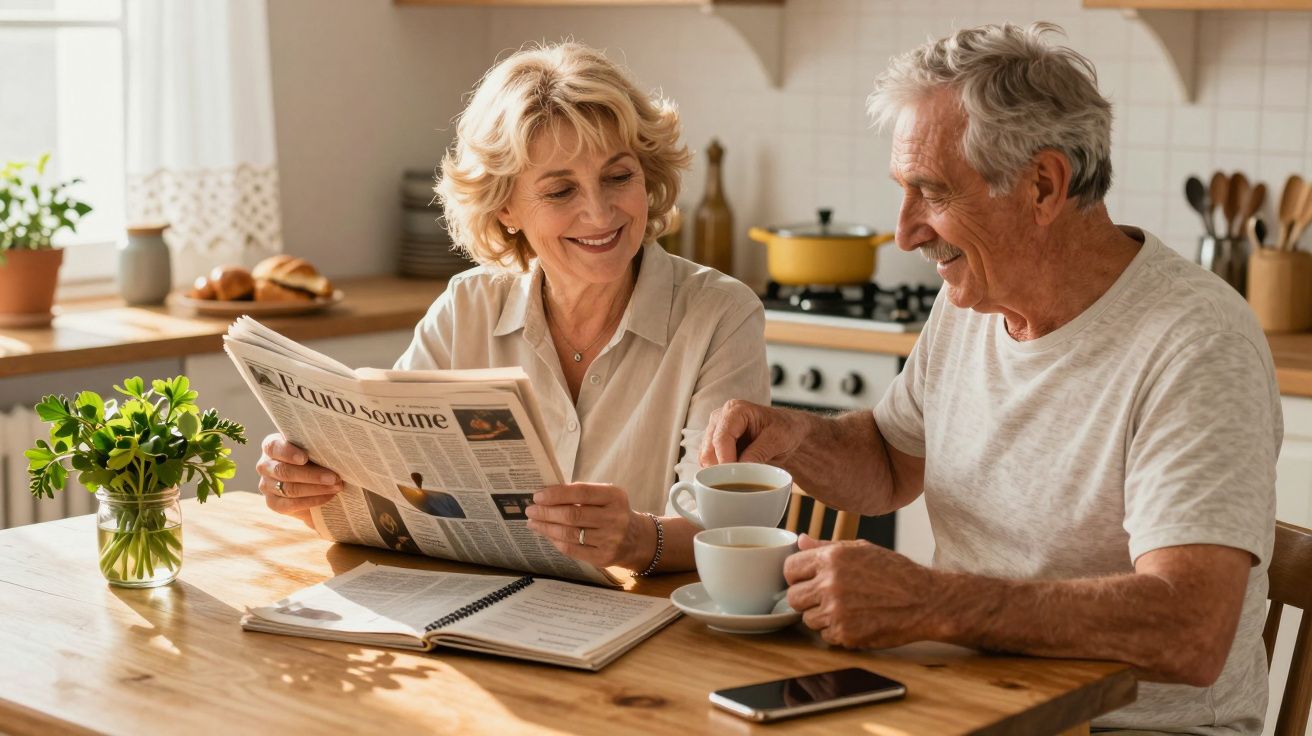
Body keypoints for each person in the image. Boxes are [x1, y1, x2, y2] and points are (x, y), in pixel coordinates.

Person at [701, 23, 1277, 735]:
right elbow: (887, 464)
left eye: (931, 192)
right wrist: (792, 440)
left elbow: (1191, 629)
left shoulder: (1194, 342)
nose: (905, 232)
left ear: (1043, 184)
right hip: (968, 701)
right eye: (902, 191)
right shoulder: (970, 301)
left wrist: (931, 602)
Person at [255, 42, 769, 575]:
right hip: (482, 616)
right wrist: (306, 486)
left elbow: (728, 529)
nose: (599, 212)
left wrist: (639, 539)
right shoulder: (467, 307)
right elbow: (393, 486)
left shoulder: (720, 315)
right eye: (560, 191)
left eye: (618, 177)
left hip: (653, 627)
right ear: (505, 208)